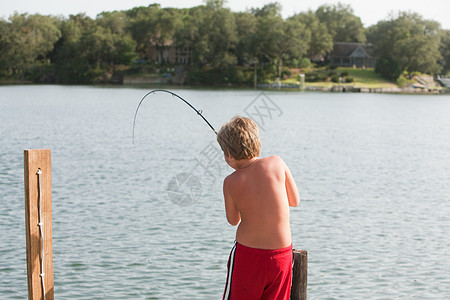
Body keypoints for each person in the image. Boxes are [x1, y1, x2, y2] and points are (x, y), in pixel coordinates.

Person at [216, 115, 300, 300]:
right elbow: (294, 200)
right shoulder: (277, 162)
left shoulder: (230, 182)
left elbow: (233, 220)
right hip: (282, 255)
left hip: (249, 256)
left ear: (228, 154)